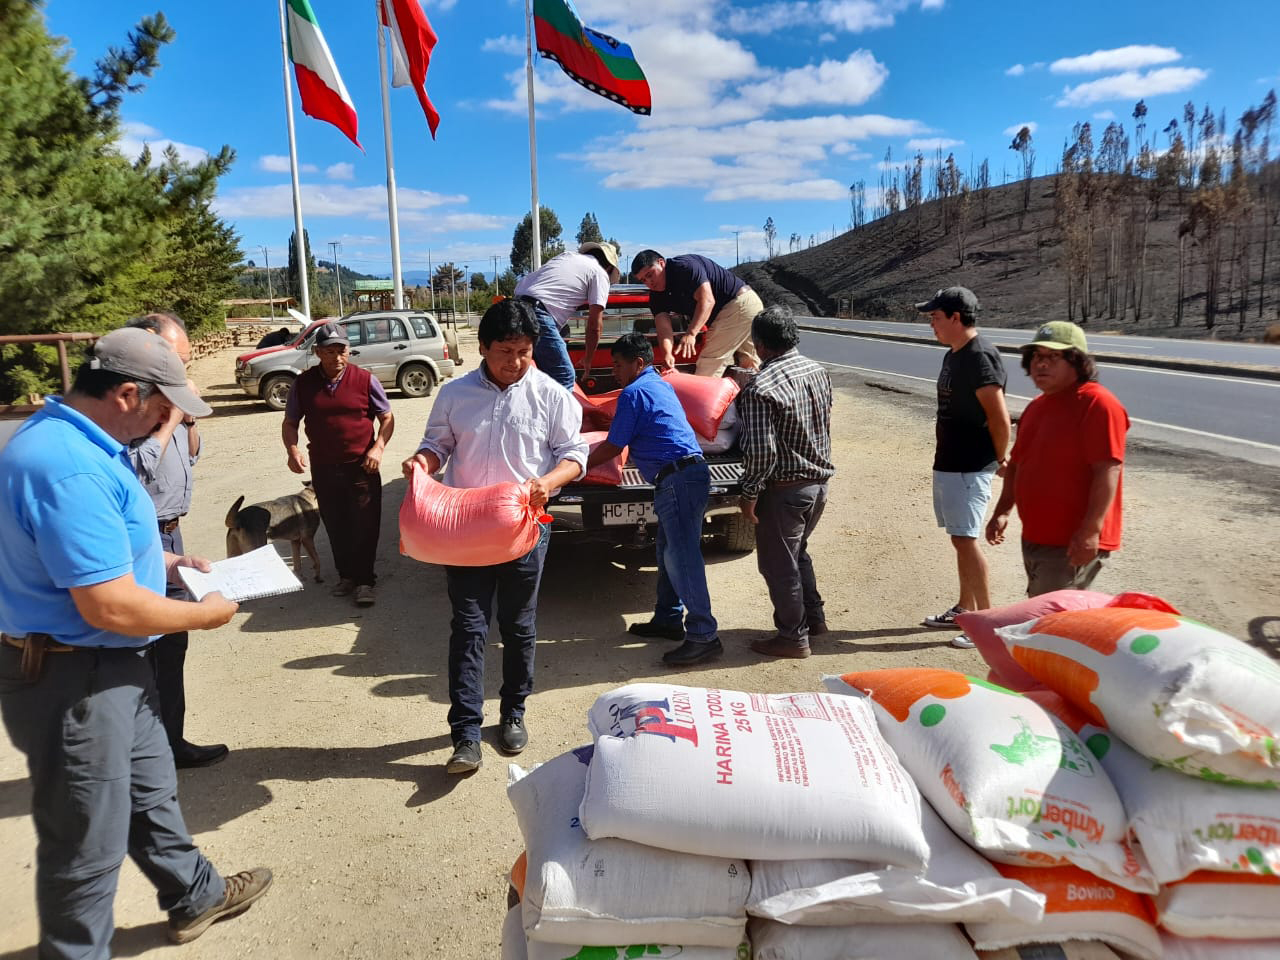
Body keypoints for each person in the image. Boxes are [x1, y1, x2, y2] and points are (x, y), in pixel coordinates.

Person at [0, 327, 271, 957]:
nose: (167, 419)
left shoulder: (77, 441)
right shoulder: (67, 467)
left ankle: (195, 895)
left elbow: (88, 560)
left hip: (108, 667)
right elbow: (109, 603)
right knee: (84, 847)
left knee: (150, 791)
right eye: (163, 405)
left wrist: (167, 567)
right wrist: (205, 615)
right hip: (76, 679)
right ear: (127, 394)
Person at [401, 299, 587, 774]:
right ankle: (465, 732)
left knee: (519, 626)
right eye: (505, 350)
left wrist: (549, 482)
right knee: (468, 627)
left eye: (524, 350)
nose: (516, 361)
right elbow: (436, 445)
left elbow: (574, 454)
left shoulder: (551, 394)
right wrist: (421, 464)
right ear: (482, 347)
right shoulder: (455, 394)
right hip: (465, 529)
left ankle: (513, 713)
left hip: (527, 529)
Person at [126, 312, 227, 768]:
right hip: (143, 539)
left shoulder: (167, 406)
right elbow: (141, 466)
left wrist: (187, 420)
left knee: (173, 644)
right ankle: (144, 752)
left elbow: (192, 455)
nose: (181, 372)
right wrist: (169, 419)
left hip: (171, 531)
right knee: (142, 650)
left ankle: (173, 743)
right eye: (176, 361)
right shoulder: (132, 411)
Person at [585, 333, 722, 667]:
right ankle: (668, 619)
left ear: (639, 363)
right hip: (685, 476)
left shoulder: (635, 392)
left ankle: (704, 636)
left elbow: (614, 446)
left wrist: (574, 466)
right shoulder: (659, 384)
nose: (614, 372)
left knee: (682, 558)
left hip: (678, 480)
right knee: (666, 550)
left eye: (618, 365)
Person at [986, 321, 1129, 595]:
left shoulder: (1098, 404)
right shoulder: (1037, 407)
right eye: (1037, 356)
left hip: (1070, 542)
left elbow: (1108, 470)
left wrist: (1090, 532)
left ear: (1077, 362)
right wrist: (1002, 511)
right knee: (1044, 615)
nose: (1041, 364)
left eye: (1053, 357)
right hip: (1037, 536)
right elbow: (1017, 465)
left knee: (1049, 622)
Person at [736, 306, 836, 659]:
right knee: (797, 553)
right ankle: (814, 619)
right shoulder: (818, 371)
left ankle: (793, 638)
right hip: (820, 484)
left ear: (759, 344)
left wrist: (748, 495)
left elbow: (761, 454)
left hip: (786, 490)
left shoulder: (759, 387)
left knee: (778, 565)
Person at [915, 286, 1011, 649]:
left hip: (970, 466)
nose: (932, 325)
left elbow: (999, 416)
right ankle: (964, 608)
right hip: (951, 463)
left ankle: (987, 623)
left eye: (935, 318)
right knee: (960, 539)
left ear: (956, 318)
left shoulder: (979, 357)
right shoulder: (955, 354)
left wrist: (1002, 457)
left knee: (966, 540)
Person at [282, 322, 394, 607]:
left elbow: (387, 418)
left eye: (341, 350)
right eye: (329, 351)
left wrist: (378, 447)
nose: (337, 357)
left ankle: (365, 581)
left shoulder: (365, 380)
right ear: (318, 352)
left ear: (349, 351)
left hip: (361, 467)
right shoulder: (304, 384)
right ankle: (346, 576)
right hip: (324, 468)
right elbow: (291, 421)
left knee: (365, 525)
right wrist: (292, 448)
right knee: (336, 524)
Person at [630, 249, 762, 378]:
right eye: (643, 280)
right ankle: (757, 398)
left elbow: (708, 300)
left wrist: (691, 333)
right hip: (744, 307)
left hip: (738, 304)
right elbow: (663, 329)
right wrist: (667, 354)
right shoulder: (656, 296)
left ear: (661, 263)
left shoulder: (684, 267)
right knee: (749, 366)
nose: (649, 282)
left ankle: (700, 399)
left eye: (650, 274)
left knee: (708, 363)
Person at [514, 241, 621, 389]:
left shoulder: (566, 256)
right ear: (609, 267)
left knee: (530, 373)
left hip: (515, 308)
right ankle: (560, 413)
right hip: (539, 315)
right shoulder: (600, 273)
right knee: (564, 375)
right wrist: (588, 359)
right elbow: (595, 325)